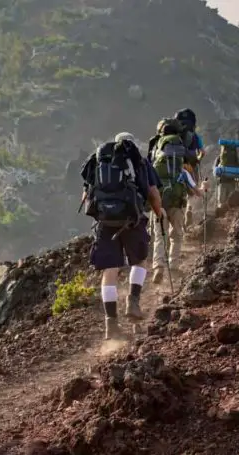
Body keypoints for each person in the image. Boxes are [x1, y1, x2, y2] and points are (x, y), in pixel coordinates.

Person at [80, 133, 164, 340]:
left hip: (105, 223)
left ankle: (112, 325)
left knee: (109, 272)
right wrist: (159, 213)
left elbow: (86, 196)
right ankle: (133, 302)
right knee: (140, 261)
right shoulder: (139, 162)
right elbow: (153, 193)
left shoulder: (98, 162)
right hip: (132, 219)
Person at [149, 119, 203, 284]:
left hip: (159, 204)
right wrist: (203, 187)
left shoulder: (156, 158)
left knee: (160, 236)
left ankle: (158, 267)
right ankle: (173, 265)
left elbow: (149, 184)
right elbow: (196, 190)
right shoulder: (182, 164)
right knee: (177, 235)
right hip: (178, 203)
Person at [174, 109, 206, 228]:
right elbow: (202, 152)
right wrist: (197, 159)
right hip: (191, 166)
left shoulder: (174, 136)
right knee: (192, 191)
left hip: (177, 165)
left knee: (177, 189)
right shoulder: (195, 136)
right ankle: (189, 209)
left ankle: (179, 214)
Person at [214, 138, 239, 211]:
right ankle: (229, 216)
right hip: (232, 182)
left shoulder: (220, 158)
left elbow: (215, 171)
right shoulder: (234, 158)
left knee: (221, 202)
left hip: (222, 182)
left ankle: (221, 215)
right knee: (231, 202)